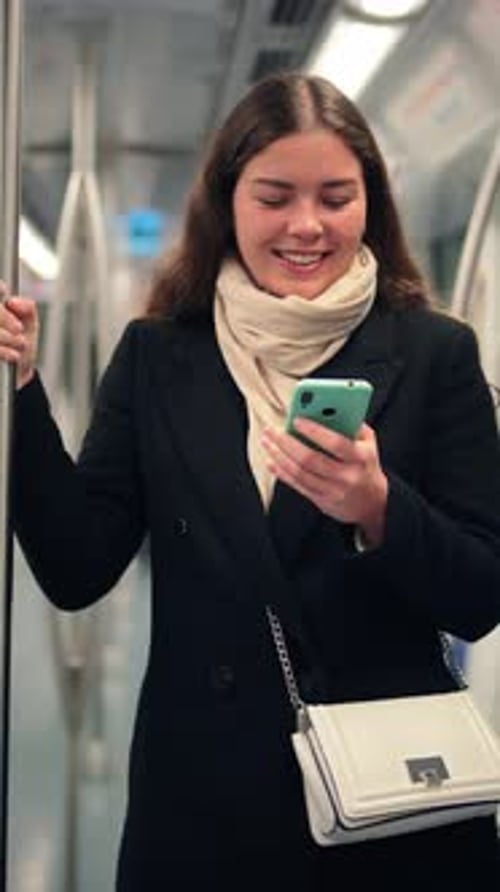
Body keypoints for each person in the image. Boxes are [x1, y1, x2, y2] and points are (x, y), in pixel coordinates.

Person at [1, 70, 500, 890]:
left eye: (336, 197)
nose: (307, 225)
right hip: (207, 806)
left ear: (370, 202)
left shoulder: (434, 353)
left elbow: (482, 597)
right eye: (276, 196)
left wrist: (378, 509)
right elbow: (77, 563)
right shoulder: (160, 357)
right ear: (227, 202)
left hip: (391, 811)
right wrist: (18, 398)